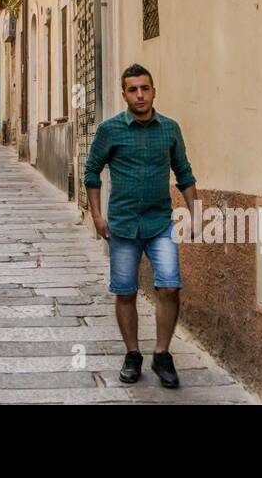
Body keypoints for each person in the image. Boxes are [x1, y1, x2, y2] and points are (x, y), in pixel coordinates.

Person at [84, 65, 198, 389]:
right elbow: (91, 173)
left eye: (144, 88)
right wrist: (96, 216)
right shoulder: (110, 131)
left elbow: (185, 174)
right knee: (125, 292)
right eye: (132, 90)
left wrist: (196, 212)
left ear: (153, 91)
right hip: (121, 225)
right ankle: (132, 354)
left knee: (170, 286)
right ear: (124, 95)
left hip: (160, 222)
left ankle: (162, 354)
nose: (139, 95)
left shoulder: (170, 130)